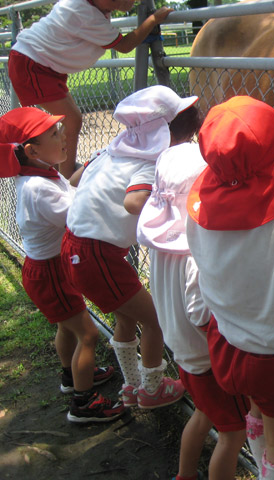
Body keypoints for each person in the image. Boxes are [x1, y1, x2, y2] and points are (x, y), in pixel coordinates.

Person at [186, 96, 274, 480]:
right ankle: (272, 469)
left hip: (226, 341)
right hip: (272, 352)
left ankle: (261, 459)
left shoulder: (200, 209)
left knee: (256, 414)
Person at [61, 85, 199, 410]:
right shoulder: (150, 164)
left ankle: (132, 385)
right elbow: (134, 201)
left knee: (126, 318)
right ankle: (152, 390)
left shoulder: (110, 152)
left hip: (77, 247)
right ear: (168, 137)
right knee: (155, 320)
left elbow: (74, 179)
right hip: (97, 256)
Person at [0, 107, 123, 423]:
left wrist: (91, 166)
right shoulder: (38, 189)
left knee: (67, 326)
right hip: (50, 272)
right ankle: (83, 403)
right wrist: (106, 183)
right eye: (54, 134)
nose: (65, 134)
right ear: (32, 150)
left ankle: (72, 376)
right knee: (89, 335)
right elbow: (78, 213)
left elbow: (69, 188)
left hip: (50, 268)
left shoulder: (41, 173)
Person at [137, 142, 249, 480]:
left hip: (184, 355)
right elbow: (201, 314)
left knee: (202, 415)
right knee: (233, 434)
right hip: (207, 363)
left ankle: (184, 475)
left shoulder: (163, 241)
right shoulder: (194, 252)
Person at [7, 0, 174, 179]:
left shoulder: (90, 8)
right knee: (71, 120)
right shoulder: (83, 12)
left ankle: (58, 171)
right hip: (33, 64)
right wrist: (153, 19)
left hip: (43, 64)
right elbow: (125, 45)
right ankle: (66, 177)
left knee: (67, 122)